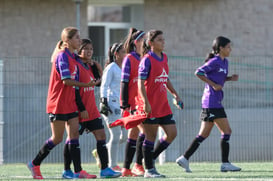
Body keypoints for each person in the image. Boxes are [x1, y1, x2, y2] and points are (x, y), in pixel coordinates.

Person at [27, 27, 96, 179]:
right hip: (57, 103)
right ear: (68, 40)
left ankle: (78, 171)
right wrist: (87, 85)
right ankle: (35, 163)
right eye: (77, 37)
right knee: (57, 138)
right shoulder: (62, 56)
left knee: (74, 137)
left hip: (70, 103)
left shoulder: (74, 57)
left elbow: (80, 73)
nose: (80, 40)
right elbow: (66, 81)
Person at [176, 36, 241, 173]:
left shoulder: (225, 62)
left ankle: (184, 158)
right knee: (227, 131)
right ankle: (225, 163)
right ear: (221, 48)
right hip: (212, 102)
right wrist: (213, 85)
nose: (230, 49)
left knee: (203, 134)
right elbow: (198, 72)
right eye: (228, 47)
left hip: (213, 102)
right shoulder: (215, 61)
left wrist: (229, 79)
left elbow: (219, 79)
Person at [62, 38, 121, 179]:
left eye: (91, 49)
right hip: (78, 110)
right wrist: (81, 108)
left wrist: (97, 66)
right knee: (71, 139)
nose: (89, 52)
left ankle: (105, 169)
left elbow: (98, 83)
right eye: (86, 49)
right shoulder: (75, 65)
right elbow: (75, 89)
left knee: (101, 135)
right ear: (79, 50)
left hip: (92, 109)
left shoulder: (90, 66)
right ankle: (68, 170)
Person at [138, 29, 183, 178]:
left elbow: (165, 78)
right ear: (151, 43)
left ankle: (150, 159)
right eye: (160, 40)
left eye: (164, 39)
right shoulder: (147, 59)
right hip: (150, 105)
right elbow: (140, 82)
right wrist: (145, 103)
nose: (163, 42)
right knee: (150, 137)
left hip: (163, 105)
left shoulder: (164, 58)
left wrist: (175, 94)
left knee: (172, 133)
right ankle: (149, 170)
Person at [120, 28, 146, 177]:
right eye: (143, 40)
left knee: (134, 133)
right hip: (133, 102)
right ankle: (138, 164)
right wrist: (125, 103)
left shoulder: (146, 58)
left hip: (143, 102)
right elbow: (124, 81)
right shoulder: (130, 58)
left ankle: (126, 168)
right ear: (136, 42)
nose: (146, 42)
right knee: (145, 132)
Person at [99, 42, 126, 171]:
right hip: (110, 104)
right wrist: (104, 101)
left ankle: (102, 152)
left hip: (121, 106)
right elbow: (104, 85)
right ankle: (112, 165)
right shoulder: (111, 67)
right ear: (116, 54)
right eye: (122, 52)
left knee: (124, 136)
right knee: (115, 135)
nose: (125, 54)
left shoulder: (124, 67)